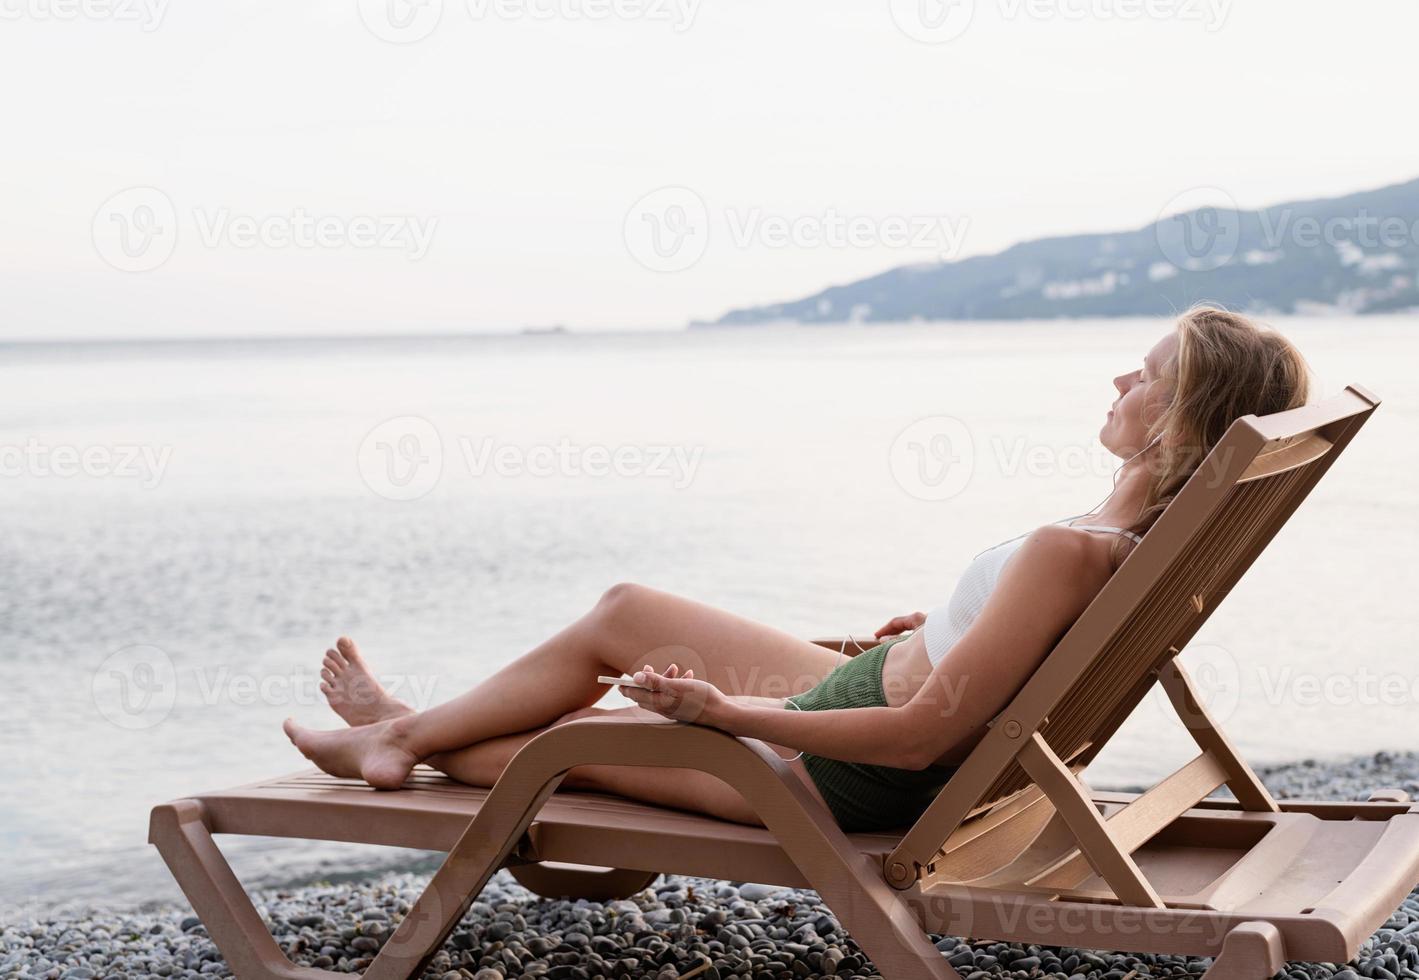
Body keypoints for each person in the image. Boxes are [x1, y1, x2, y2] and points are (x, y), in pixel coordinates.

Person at [283, 306, 1312, 833]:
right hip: (869, 693)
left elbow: (919, 739)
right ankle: (405, 725)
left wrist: (723, 714)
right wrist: (937, 631)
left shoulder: (1074, 549)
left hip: (844, 771)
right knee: (626, 607)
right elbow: (985, 677)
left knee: (566, 737)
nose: (1122, 377)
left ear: (1177, 424)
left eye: (1149, 375)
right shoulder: (1103, 541)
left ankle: (397, 737)